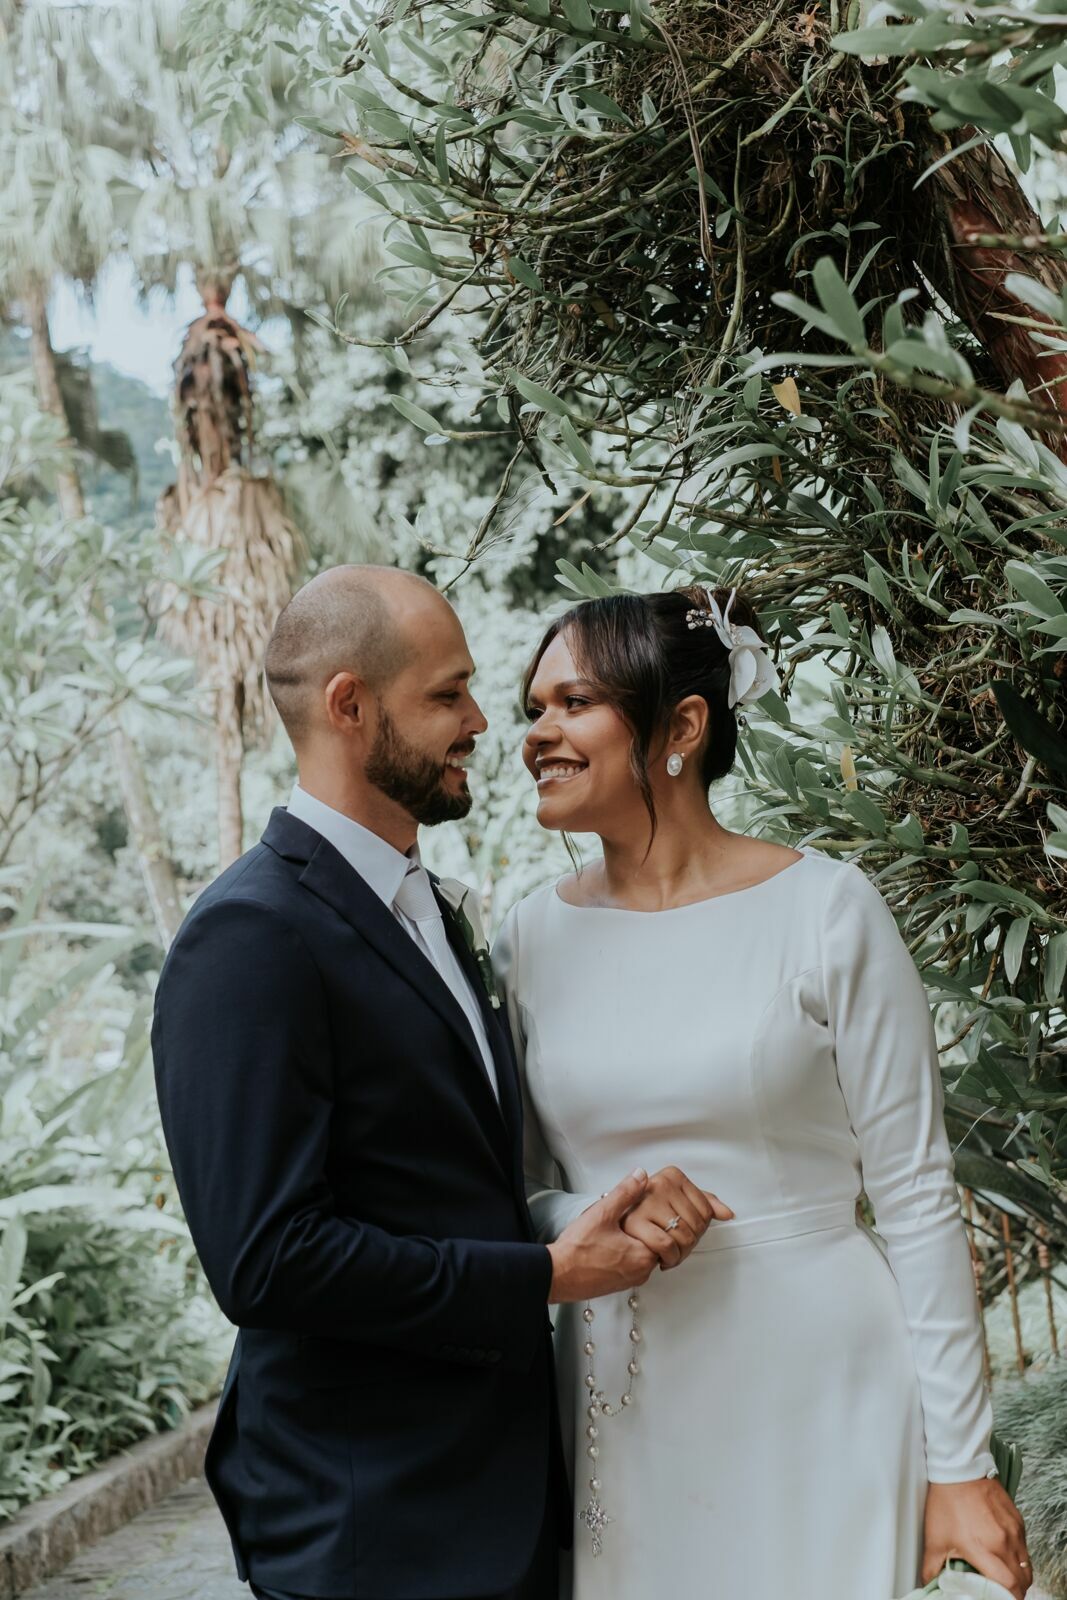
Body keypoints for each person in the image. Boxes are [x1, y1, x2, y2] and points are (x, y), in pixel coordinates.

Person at [152, 565, 699, 1600]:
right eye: (446, 695)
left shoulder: (432, 912)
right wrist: (541, 1278)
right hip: (373, 1526)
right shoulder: (249, 936)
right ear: (348, 706)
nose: (482, 721)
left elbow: (458, 1173)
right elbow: (267, 1260)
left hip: (499, 1505)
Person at [493, 583, 1032, 1600]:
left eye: (571, 703)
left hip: (822, 1377)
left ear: (681, 726)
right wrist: (590, 1213)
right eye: (532, 708)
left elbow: (917, 1197)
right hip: (626, 1385)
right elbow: (511, 1190)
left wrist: (958, 1465)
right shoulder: (526, 941)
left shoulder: (826, 912)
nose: (537, 732)